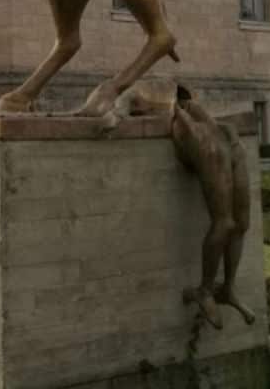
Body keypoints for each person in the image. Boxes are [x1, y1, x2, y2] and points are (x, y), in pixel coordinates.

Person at [103, 80, 255, 330]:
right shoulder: (166, 110)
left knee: (242, 224)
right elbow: (122, 107)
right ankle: (205, 290)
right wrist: (116, 115)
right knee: (225, 223)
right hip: (204, 145)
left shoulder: (180, 101)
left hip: (221, 140)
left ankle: (228, 288)